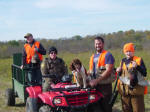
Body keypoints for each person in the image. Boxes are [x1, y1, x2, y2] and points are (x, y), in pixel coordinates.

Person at [116, 43, 147, 112]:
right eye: (126, 51)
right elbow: (121, 76)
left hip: (136, 92)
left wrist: (137, 67)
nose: (128, 53)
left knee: (138, 110)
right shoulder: (122, 61)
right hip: (125, 93)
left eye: (130, 51)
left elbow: (144, 73)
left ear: (133, 51)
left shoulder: (138, 60)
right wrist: (119, 71)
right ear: (124, 52)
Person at [88, 36, 115, 112]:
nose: (97, 45)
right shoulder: (92, 57)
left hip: (105, 87)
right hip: (95, 87)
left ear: (103, 44)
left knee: (106, 107)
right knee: (97, 108)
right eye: (96, 44)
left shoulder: (108, 55)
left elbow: (108, 70)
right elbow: (90, 71)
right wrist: (80, 72)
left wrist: (97, 80)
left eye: (99, 43)